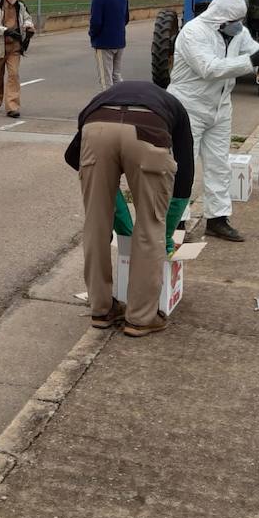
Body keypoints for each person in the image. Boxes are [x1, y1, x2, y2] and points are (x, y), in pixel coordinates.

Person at [66, 81, 195, 336]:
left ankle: (101, 309)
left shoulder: (102, 98)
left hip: (96, 128)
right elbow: (185, 177)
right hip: (149, 132)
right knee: (150, 227)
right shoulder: (174, 108)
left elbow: (73, 157)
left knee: (95, 224)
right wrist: (166, 230)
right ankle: (140, 318)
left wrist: (114, 211)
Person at [166, 0, 259, 242]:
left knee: (220, 165)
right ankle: (177, 223)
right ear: (220, 17)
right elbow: (209, 68)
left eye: (240, 20)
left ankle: (217, 219)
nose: (239, 25)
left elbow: (258, 57)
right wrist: (252, 60)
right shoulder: (193, 32)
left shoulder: (238, 33)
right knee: (182, 167)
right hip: (189, 107)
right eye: (234, 20)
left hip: (220, 107)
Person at [89, 0, 130, 89]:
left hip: (104, 43)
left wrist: (92, 34)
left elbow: (96, 22)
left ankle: (108, 105)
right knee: (116, 76)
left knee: (105, 79)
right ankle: (121, 100)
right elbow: (126, 19)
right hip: (119, 42)